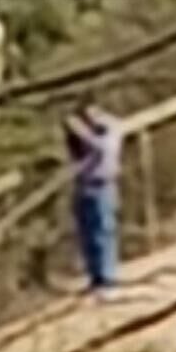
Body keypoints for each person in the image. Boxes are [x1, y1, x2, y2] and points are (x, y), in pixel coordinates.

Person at [64, 101, 123, 297]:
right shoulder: (85, 139)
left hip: (103, 187)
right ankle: (95, 278)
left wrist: (83, 130)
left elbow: (101, 148)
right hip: (84, 187)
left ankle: (108, 279)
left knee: (103, 233)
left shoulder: (109, 132)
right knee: (87, 235)